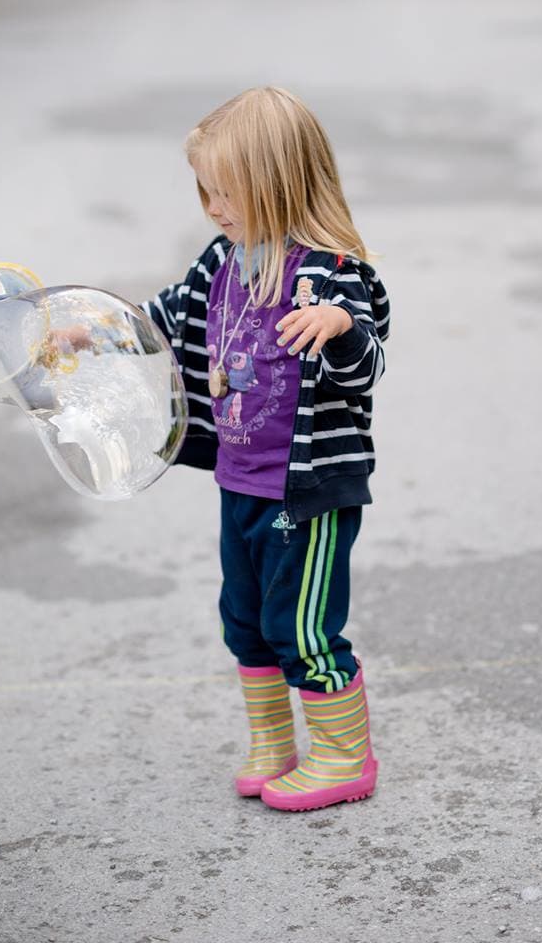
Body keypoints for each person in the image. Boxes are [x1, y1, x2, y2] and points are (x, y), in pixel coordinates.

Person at [139, 86, 390, 812]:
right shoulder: (221, 262)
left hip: (305, 492)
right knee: (244, 620)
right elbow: (163, 317)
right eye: (205, 191)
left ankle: (343, 757)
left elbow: (367, 367)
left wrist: (340, 327)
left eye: (227, 192)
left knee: (300, 626)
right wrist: (95, 331)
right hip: (239, 480)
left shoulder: (332, 274)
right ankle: (273, 743)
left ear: (280, 184)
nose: (214, 208)